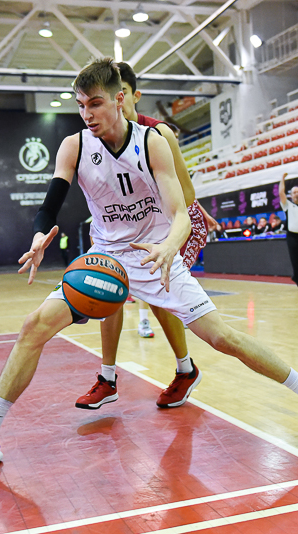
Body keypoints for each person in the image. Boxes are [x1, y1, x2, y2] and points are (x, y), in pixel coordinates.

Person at [0, 58, 298, 471]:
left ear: (120, 99)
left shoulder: (153, 141)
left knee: (224, 338)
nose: (87, 114)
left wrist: (170, 246)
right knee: (33, 326)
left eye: (96, 103)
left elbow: (181, 213)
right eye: (81, 105)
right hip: (106, 259)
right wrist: (40, 235)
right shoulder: (74, 146)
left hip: (156, 254)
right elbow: (50, 205)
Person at [78, 60, 216, 399]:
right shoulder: (100, 139)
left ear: (129, 96)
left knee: (161, 298)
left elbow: (186, 194)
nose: (118, 101)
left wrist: (162, 226)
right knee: (108, 285)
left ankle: (185, 368)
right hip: (132, 228)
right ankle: (107, 377)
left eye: (122, 93)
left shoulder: (158, 134)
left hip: (170, 226)